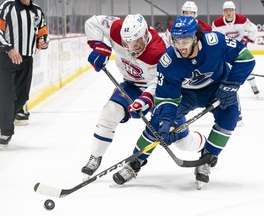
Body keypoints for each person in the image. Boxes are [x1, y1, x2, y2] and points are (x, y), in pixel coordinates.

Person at [112, 16, 256, 189]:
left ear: (195, 37)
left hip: (218, 88)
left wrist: (231, 85)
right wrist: (166, 121)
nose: (180, 47)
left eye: (185, 41)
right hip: (187, 93)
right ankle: (135, 161)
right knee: (157, 123)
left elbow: (246, 58)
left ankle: (206, 160)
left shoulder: (215, 41)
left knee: (230, 117)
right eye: (176, 41)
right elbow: (167, 98)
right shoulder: (169, 61)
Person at [80, 14, 205, 178]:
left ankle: (204, 146)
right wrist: (99, 46)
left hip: (161, 92)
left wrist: (144, 100)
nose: (133, 46)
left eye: (137, 40)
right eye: (128, 42)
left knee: (182, 142)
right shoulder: (116, 28)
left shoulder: (158, 51)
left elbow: (161, 82)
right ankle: (97, 156)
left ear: (146, 34)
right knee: (110, 111)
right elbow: (93, 22)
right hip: (131, 85)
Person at [0, 0, 49, 148]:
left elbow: (42, 32)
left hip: (26, 59)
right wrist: (9, 48)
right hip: (5, 57)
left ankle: (4, 121)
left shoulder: (37, 11)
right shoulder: (8, 6)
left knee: (22, 96)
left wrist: (43, 41)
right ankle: (6, 132)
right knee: (6, 95)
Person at [212, 1, 259, 97]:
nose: (228, 13)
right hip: (226, 49)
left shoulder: (242, 19)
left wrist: (247, 39)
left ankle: (253, 85)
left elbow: (253, 29)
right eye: (226, 11)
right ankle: (220, 88)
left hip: (240, 49)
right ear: (223, 12)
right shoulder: (217, 23)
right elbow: (214, 36)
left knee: (247, 67)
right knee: (222, 69)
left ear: (234, 11)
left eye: (230, 10)